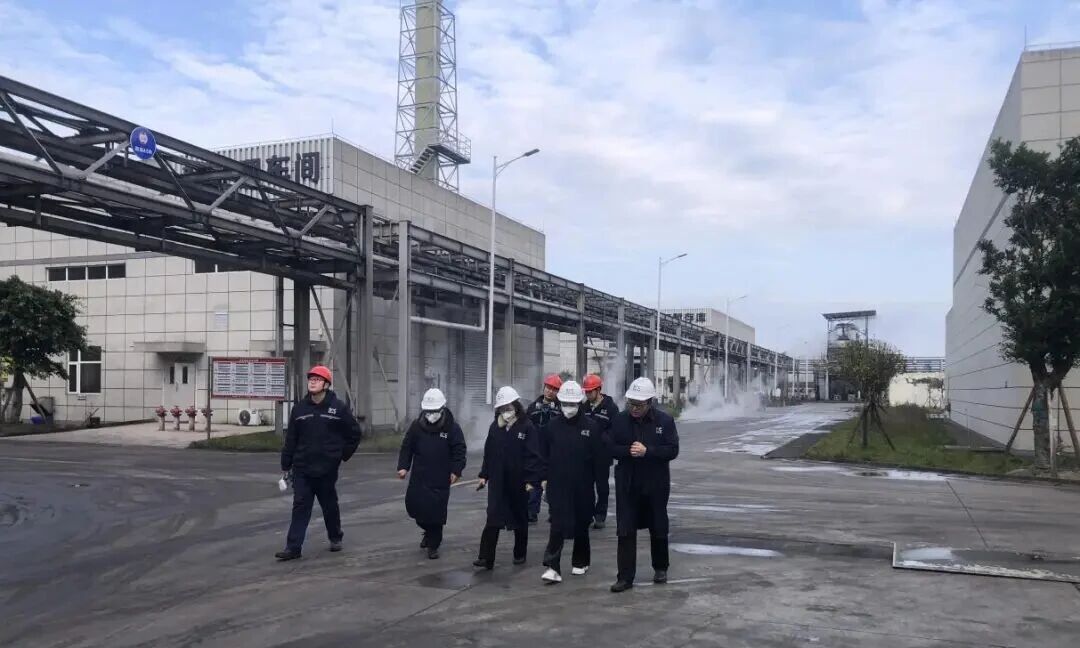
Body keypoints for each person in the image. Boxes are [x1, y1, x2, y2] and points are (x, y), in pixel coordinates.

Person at [276, 365, 364, 561]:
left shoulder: (338, 408)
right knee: (300, 506)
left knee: (329, 505)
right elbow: (291, 438)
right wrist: (286, 462)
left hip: (327, 469)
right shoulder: (300, 409)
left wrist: (341, 455)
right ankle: (293, 547)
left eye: (317, 379)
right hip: (302, 468)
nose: (313, 382)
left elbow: (354, 434)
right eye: (311, 379)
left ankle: (335, 537)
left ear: (326, 384)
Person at [608, 377, 680, 592]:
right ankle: (625, 577)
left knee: (658, 526)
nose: (634, 408)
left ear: (650, 402)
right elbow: (608, 446)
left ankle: (660, 567)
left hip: (655, 484)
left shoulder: (664, 421)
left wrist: (648, 451)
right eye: (631, 403)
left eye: (639, 405)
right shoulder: (620, 420)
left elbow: (672, 450)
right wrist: (628, 451)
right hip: (628, 484)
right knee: (625, 529)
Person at [474, 386, 544, 570]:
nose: (506, 411)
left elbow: (533, 456)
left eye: (508, 407)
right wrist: (484, 475)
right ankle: (485, 557)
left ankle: (520, 553)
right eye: (502, 408)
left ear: (516, 406)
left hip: (518, 483)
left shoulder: (527, 427)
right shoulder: (495, 427)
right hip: (497, 482)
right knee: (492, 518)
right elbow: (489, 453)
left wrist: (531, 480)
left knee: (520, 519)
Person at [539, 380, 601, 584]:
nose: (568, 408)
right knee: (557, 525)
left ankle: (580, 561)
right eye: (565, 404)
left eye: (572, 404)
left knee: (582, 524)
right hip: (558, 485)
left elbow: (599, 460)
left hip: (583, 486)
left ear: (580, 403)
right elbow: (543, 455)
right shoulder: (551, 427)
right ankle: (552, 566)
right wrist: (543, 479)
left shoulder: (591, 427)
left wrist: (599, 487)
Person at [397, 388, 467, 560]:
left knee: (436, 514)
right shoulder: (417, 426)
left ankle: (433, 545)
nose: (431, 415)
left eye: (434, 411)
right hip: (419, 476)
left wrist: (456, 470)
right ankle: (428, 532)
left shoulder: (452, 428)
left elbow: (459, 450)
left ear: (442, 408)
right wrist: (403, 466)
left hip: (440, 477)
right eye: (428, 411)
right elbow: (407, 446)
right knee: (415, 509)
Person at [582, 373, 619, 530]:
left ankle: (600, 515)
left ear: (598, 390)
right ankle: (588, 514)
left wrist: (603, 438)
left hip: (602, 455)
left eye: (590, 391)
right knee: (586, 487)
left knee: (602, 487)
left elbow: (616, 430)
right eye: (586, 391)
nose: (587, 394)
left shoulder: (610, 408)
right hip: (586, 455)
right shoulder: (583, 407)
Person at [525, 374, 563, 524]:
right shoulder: (533, 408)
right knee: (535, 481)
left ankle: (555, 512)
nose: (550, 391)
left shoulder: (561, 408)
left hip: (555, 451)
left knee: (555, 482)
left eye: (554, 389)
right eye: (548, 388)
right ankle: (532, 512)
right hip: (537, 450)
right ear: (544, 387)